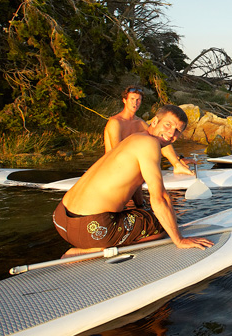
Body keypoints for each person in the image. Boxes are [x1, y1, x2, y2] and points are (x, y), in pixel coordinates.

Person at [53, 104, 214, 257]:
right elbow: (160, 198)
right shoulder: (150, 144)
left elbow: (135, 183)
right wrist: (179, 240)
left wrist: (141, 207)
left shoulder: (135, 138)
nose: (172, 133)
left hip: (61, 219)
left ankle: (96, 241)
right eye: (168, 125)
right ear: (155, 121)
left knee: (147, 213)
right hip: (90, 229)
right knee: (161, 226)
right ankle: (89, 251)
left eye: (178, 130)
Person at [104, 86, 193, 176]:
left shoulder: (140, 123)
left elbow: (162, 139)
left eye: (138, 99)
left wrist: (178, 160)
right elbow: (117, 153)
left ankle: (178, 167)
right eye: (132, 99)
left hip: (130, 170)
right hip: (113, 170)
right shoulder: (115, 122)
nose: (135, 102)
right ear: (124, 100)